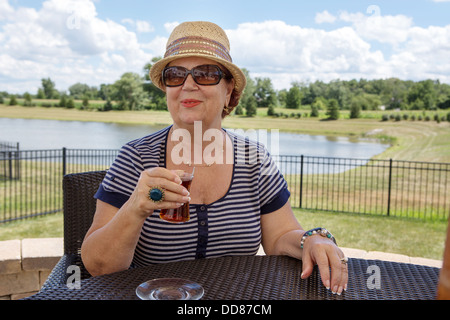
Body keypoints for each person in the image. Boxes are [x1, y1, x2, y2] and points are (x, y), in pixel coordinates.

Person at [81, 21, 348, 295]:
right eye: (175, 75)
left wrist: (312, 240)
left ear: (229, 90)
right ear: (166, 89)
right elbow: (98, 266)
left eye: (205, 74)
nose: (188, 85)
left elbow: (280, 236)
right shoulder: (136, 157)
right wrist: (135, 208)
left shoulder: (254, 158)